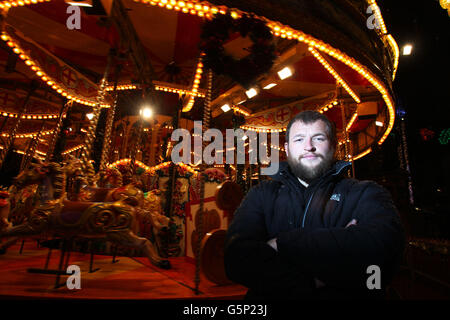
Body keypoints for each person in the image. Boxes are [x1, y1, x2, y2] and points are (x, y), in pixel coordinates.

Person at [224, 110, 405, 299]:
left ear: (334, 146)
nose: (308, 147)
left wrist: (281, 243)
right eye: (299, 139)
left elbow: (384, 251)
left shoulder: (364, 193)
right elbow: (236, 261)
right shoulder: (262, 194)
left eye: (318, 138)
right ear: (287, 148)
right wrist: (314, 280)